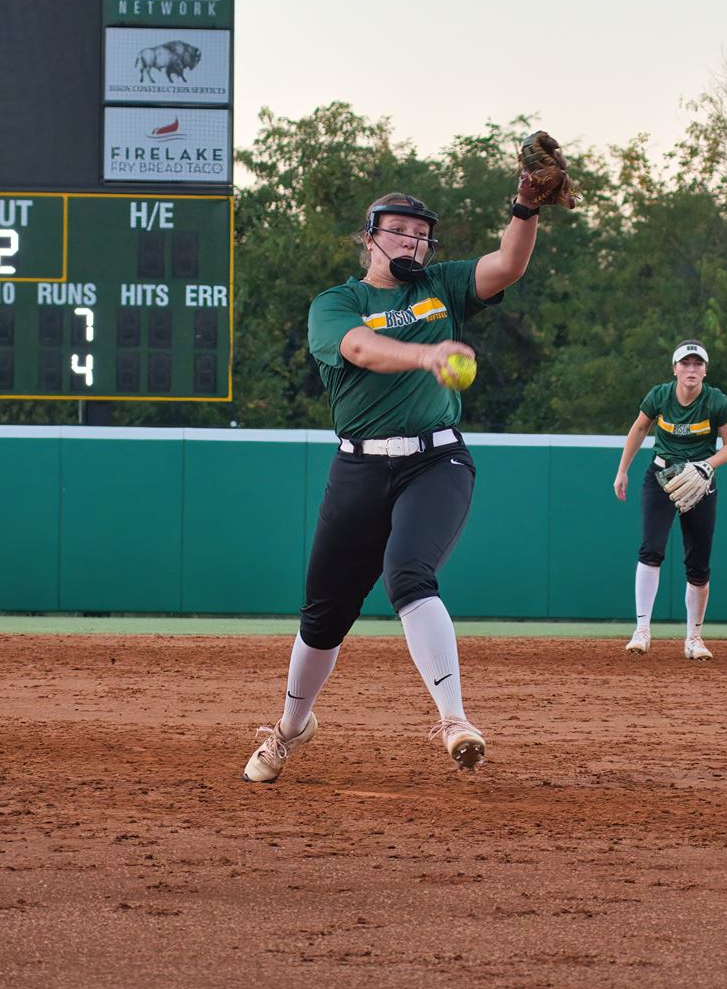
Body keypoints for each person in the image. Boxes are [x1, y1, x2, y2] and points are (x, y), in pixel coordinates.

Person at [243, 138, 572, 783]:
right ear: (368, 238)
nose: (413, 243)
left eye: (422, 234)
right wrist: (425, 355)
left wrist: (526, 208)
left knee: (408, 576)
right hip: (360, 468)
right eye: (397, 231)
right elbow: (361, 350)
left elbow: (505, 266)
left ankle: (455, 721)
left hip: (435, 462)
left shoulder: (441, 286)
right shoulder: (336, 303)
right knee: (324, 613)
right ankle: (288, 728)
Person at [610, 341, 727, 660]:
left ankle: (694, 638)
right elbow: (639, 428)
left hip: (699, 482)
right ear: (675, 369)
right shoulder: (660, 395)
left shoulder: (716, 401)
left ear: (705, 370)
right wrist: (622, 470)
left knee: (698, 565)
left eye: (698, 364)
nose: (691, 369)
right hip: (662, 478)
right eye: (686, 363)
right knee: (651, 550)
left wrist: (706, 465)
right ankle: (641, 630)